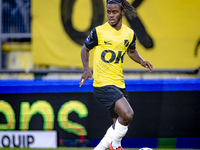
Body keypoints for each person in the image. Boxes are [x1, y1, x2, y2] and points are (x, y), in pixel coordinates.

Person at [80, 0, 153, 150]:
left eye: (114, 12)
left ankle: (100, 148)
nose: (111, 15)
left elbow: (131, 51)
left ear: (122, 12)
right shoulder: (99, 32)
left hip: (119, 84)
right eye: (108, 12)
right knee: (127, 114)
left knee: (117, 125)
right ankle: (116, 145)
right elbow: (85, 49)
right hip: (102, 84)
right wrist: (87, 69)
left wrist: (141, 61)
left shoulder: (129, 34)